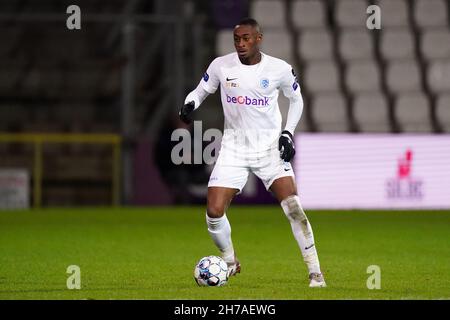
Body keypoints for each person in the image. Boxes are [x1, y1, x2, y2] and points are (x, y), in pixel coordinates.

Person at [179, 18, 326, 288]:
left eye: (246, 38)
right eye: (237, 39)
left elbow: (296, 100)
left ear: (258, 38)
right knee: (213, 210)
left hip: (268, 147)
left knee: (293, 206)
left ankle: (315, 272)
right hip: (234, 147)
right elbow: (201, 91)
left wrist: (288, 133)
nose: (241, 44)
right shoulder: (221, 66)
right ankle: (230, 260)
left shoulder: (279, 69)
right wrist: (190, 104)